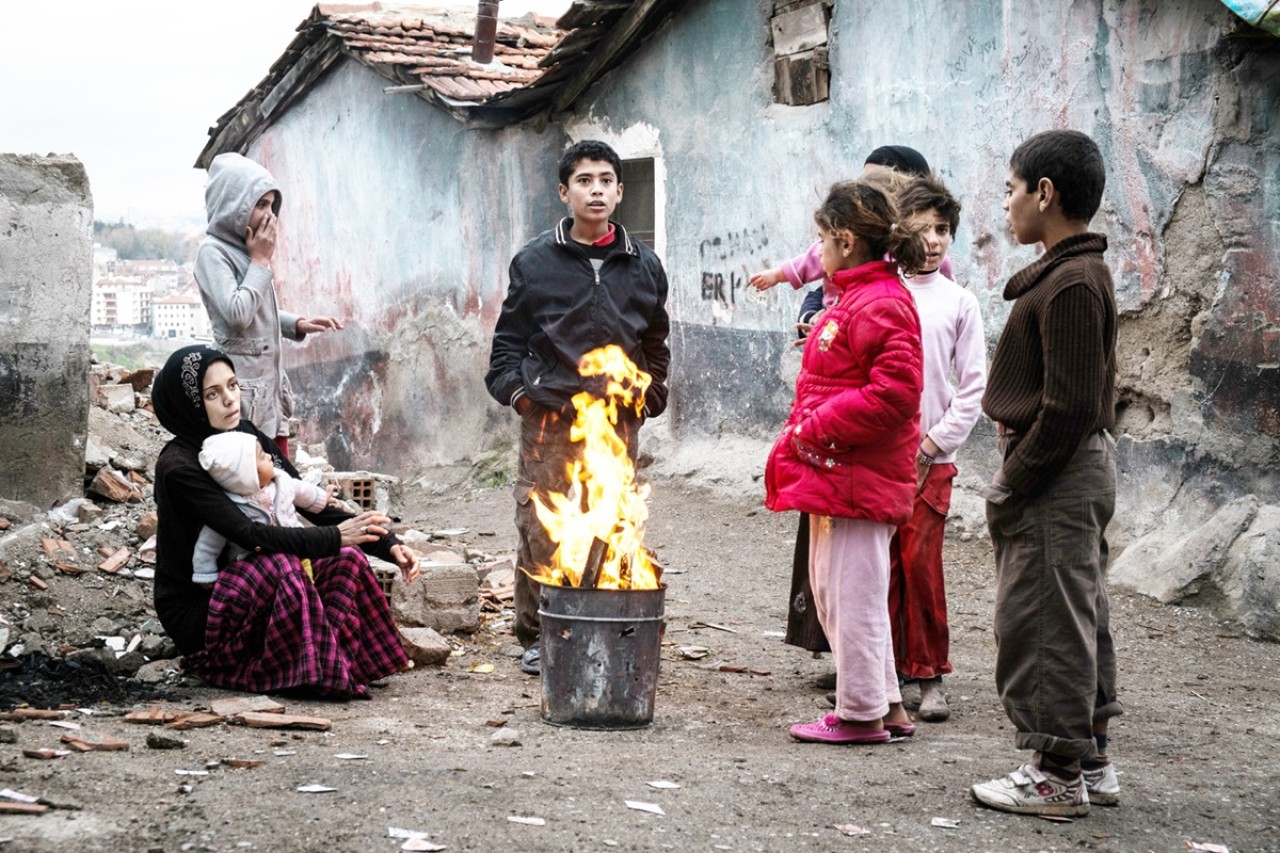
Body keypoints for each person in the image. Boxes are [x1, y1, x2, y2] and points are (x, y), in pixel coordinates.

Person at [969, 130, 1121, 816]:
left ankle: (1057, 775)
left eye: (1011, 189)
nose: (1005, 204)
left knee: (1045, 620)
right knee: (1076, 610)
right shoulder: (1069, 275)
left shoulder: (1071, 283)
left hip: (1056, 471)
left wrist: (1013, 483)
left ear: (1045, 193)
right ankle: (1090, 759)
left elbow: (1068, 408)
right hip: (1065, 469)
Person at [749, 146, 938, 688]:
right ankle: (886, 704)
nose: (820, 251)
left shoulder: (880, 300)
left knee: (854, 599)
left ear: (847, 242)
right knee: (837, 592)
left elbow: (895, 394)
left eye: (825, 240)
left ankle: (860, 713)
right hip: (840, 473)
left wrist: (816, 427)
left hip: (856, 473)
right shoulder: (855, 298)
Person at [484, 140, 671, 676]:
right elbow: (507, 346)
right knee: (543, 525)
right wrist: (522, 395)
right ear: (564, 192)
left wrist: (650, 394)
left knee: (611, 521)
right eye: (584, 181)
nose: (596, 190)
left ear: (620, 191)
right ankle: (540, 632)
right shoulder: (535, 261)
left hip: (615, 422)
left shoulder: (644, 265)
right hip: (551, 420)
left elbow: (656, 342)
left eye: (606, 180)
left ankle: (604, 621)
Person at [151, 344, 421, 698]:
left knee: (346, 559)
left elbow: (301, 496)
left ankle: (332, 665)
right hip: (200, 608)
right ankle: (296, 672)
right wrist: (334, 536)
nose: (230, 400)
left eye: (232, 385)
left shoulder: (246, 436)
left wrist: (388, 544)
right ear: (189, 404)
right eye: (212, 394)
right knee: (281, 564)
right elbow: (249, 535)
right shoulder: (178, 467)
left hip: (253, 583)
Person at [887, 175, 987, 722]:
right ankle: (879, 677)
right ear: (899, 230)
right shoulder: (882, 293)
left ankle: (929, 677)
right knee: (878, 571)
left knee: (920, 567)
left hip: (932, 461)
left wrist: (931, 447)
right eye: (922, 228)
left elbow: (972, 388)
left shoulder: (960, 302)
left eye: (943, 229)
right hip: (880, 459)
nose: (932, 241)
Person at [195, 152, 344, 459]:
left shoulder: (248, 251)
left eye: (272, 206)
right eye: (260, 205)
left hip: (269, 394)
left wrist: (296, 324)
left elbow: (257, 311)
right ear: (233, 204)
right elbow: (238, 314)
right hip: (243, 397)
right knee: (251, 472)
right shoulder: (213, 254)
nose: (269, 216)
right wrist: (261, 261)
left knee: (278, 473)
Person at [192, 431, 333, 586]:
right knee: (287, 568)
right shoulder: (231, 508)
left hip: (295, 549)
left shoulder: (282, 482)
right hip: (256, 567)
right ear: (248, 475)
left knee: (305, 581)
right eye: (261, 456)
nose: (269, 456)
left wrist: (322, 498)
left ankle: (307, 596)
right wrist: (205, 574)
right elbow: (208, 544)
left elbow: (303, 492)